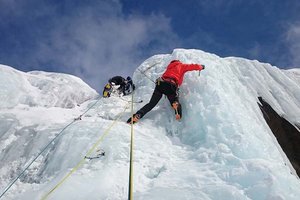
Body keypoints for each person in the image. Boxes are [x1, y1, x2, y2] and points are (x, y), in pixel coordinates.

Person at [127, 60, 205, 124]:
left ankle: (138, 114)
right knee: (174, 100)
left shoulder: (169, 68)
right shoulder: (181, 66)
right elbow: (192, 66)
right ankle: (177, 110)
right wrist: (201, 67)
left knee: (151, 104)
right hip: (171, 85)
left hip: (160, 84)